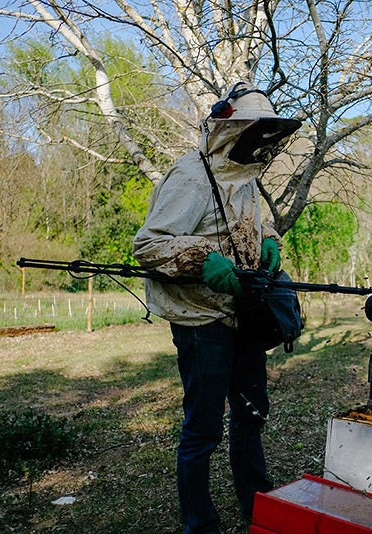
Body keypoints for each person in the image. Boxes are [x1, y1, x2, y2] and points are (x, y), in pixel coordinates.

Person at [133, 82, 301, 534]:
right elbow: (148, 244)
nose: (261, 144)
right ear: (232, 129)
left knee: (250, 414)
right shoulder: (189, 176)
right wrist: (201, 258)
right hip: (200, 318)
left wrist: (268, 242)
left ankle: (258, 503)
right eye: (254, 133)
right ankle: (199, 524)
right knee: (203, 430)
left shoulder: (243, 177)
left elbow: (254, 224)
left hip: (242, 313)